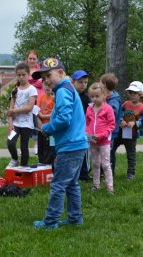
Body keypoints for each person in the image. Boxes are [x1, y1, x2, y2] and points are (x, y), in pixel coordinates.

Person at [32, 58, 88, 229]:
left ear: (61, 73)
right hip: (78, 144)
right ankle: (75, 218)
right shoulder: (68, 89)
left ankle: (50, 222)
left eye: (49, 75)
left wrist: (48, 128)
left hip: (70, 146)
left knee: (58, 185)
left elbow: (64, 119)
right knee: (71, 184)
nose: (47, 80)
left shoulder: (63, 90)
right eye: (43, 78)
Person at [112, 81, 143, 180]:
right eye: (130, 93)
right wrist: (121, 120)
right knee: (111, 149)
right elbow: (119, 113)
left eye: (134, 93)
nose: (132, 95)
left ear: (141, 94)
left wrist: (136, 123)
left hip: (131, 135)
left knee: (131, 155)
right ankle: (110, 172)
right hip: (120, 132)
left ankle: (130, 174)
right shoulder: (125, 104)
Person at [85, 82, 115, 194]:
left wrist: (101, 135)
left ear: (104, 95)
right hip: (92, 141)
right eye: (92, 96)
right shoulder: (89, 108)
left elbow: (111, 125)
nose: (94, 99)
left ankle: (110, 187)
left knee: (106, 164)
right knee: (96, 163)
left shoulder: (108, 108)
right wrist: (87, 133)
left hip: (104, 141)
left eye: (97, 96)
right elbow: (87, 122)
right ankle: (96, 185)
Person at [7, 63, 38, 167]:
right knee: (10, 142)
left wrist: (14, 111)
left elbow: (29, 108)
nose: (21, 77)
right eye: (19, 75)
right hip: (15, 122)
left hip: (26, 123)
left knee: (24, 147)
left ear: (28, 74)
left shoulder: (32, 89)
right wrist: (10, 124)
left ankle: (23, 168)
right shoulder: (14, 90)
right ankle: (15, 159)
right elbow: (10, 111)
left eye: (23, 74)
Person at [100, 73, 122, 176]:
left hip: (110, 133)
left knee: (109, 153)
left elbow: (113, 113)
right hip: (101, 131)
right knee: (101, 152)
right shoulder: (104, 97)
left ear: (104, 85)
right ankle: (101, 172)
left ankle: (110, 173)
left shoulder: (114, 100)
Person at [71, 70, 92, 181]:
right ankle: (75, 171)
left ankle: (85, 172)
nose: (83, 84)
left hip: (84, 129)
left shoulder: (87, 98)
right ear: (73, 82)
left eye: (85, 82)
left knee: (85, 150)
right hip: (73, 128)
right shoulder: (70, 95)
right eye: (80, 82)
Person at [27, 50, 42, 155]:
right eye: (30, 58)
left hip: (39, 98)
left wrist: (31, 82)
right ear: (27, 59)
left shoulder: (40, 71)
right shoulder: (24, 70)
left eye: (34, 59)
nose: (32, 61)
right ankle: (25, 144)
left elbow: (43, 82)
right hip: (27, 99)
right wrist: (35, 82)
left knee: (37, 121)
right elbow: (21, 83)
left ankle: (36, 144)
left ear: (37, 59)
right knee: (27, 121)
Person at [37, 80, 55, 165]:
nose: (47, 87)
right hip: (41, 127)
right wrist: (40, 124)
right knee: (41, 146)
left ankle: (47, 165)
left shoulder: (53, 99)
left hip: (49, 127)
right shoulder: (42, 96)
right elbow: (37, 111)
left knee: (48, 148)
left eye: (49, 85)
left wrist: (42, 116)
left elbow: (54, 115)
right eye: (45, 85)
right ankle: (41, 163)